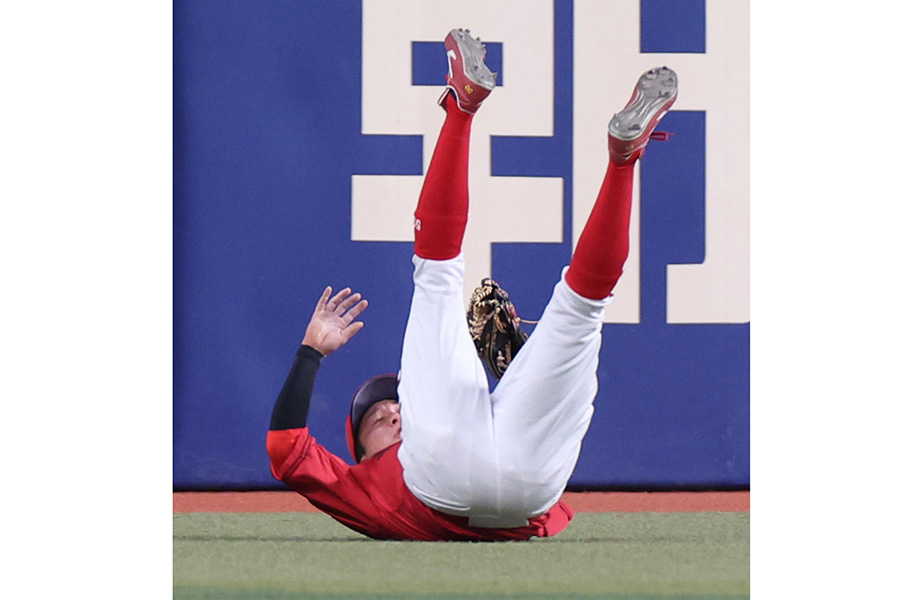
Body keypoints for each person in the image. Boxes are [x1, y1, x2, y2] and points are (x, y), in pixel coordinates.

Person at [266, 28, 678, 541]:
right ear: (363, 452)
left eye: (392, 403)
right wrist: (309, 353)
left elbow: (285, 450)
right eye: (376, 416)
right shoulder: (362, 485)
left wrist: (521, 385)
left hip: (511, 480)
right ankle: (465, 108)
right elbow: (287, 450)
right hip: (481, 479)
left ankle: (623, 158)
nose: (392, 409)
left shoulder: (390, 476)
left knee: (575, 306)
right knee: (568, 309)